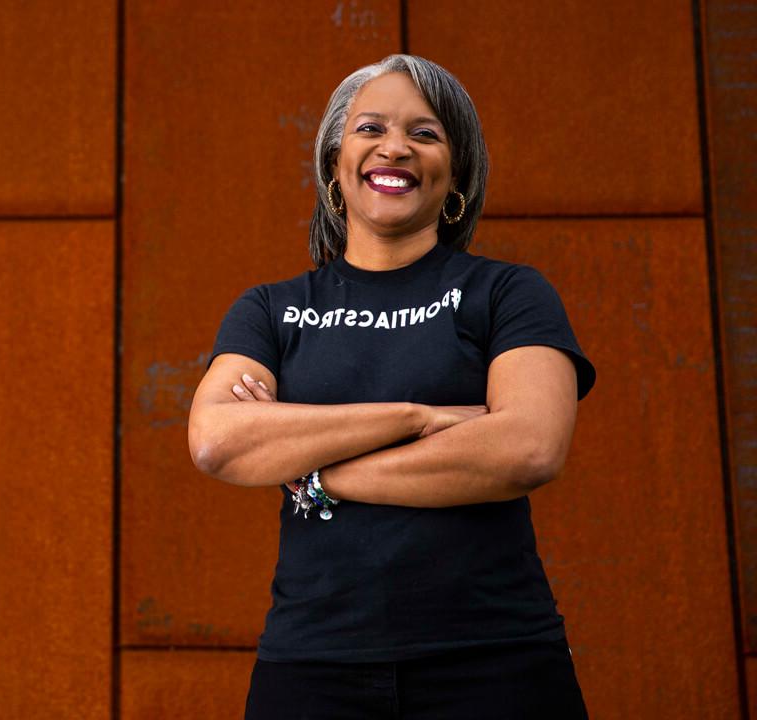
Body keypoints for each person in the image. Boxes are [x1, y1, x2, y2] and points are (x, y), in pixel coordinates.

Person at [187, 54, 595, 719]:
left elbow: (528, 447)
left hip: (496, 663)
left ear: (455, 172)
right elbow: (218, 443)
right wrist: (420, 416)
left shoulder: (509, 293)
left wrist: (319, 473)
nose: (395, 147)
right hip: (313, 667)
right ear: (333, 166)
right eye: (369, 127)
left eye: (425, 133)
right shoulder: (269, 311)